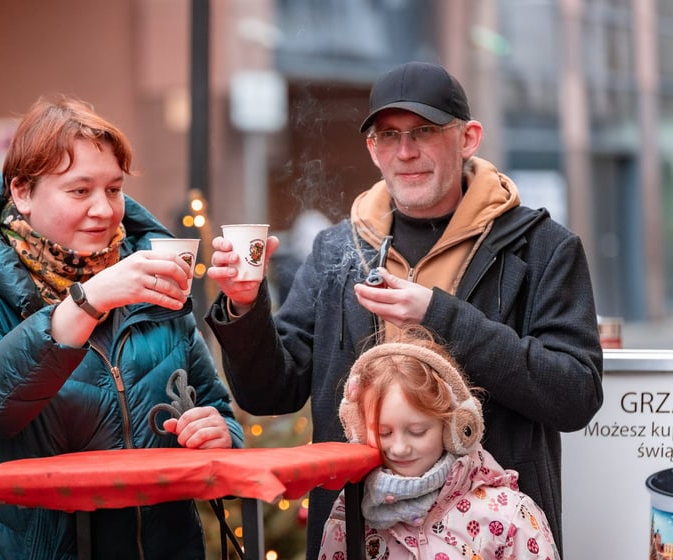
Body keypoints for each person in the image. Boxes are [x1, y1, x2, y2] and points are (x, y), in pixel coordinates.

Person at [205, 60, 603, 558]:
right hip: (353, 531)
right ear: (372, 149)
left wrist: (440, 315)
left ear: (469, 138)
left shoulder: (543, 248)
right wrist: (246, 308)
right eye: (387, 136)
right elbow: (271, 392)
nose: (406, 151)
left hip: (492, 534)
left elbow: (575, 394)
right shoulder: (336, 252)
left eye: (424, 131)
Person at [0, 95, 244, 559]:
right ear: (22, 193)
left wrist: (218, 432)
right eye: (80, 191)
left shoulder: (151, 276)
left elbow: (215, 407)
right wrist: (86, 302)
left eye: (113, 189)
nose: (104, 210)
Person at [318, 327, 560, 559]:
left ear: (454, 428)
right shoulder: (348, 511)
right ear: (358, 430)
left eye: (417, 431)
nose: (399, 448)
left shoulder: (508, 516)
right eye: (384, 433)